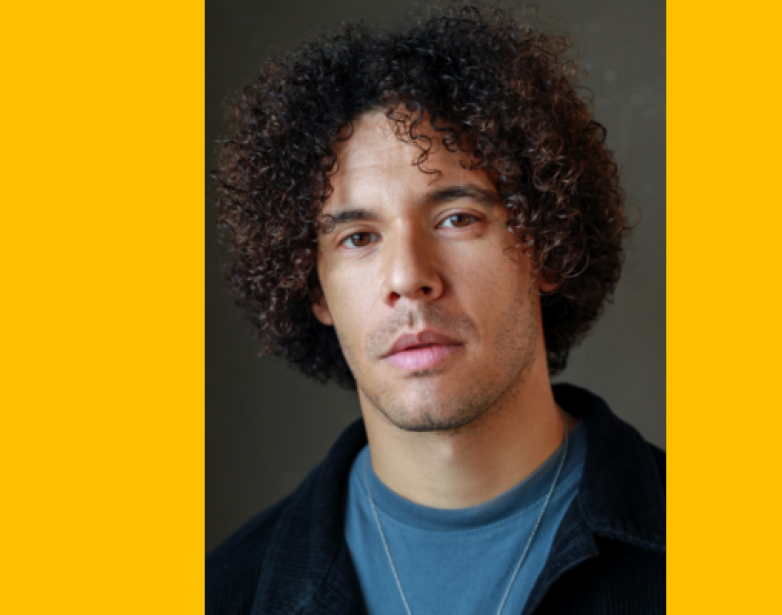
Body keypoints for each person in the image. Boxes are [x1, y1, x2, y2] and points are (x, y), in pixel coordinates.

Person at [207, 4, 664, 614]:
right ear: (316, 290)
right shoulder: (222, 593)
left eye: (457, 219)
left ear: (547, 248)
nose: (408, 278)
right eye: (359, 237)